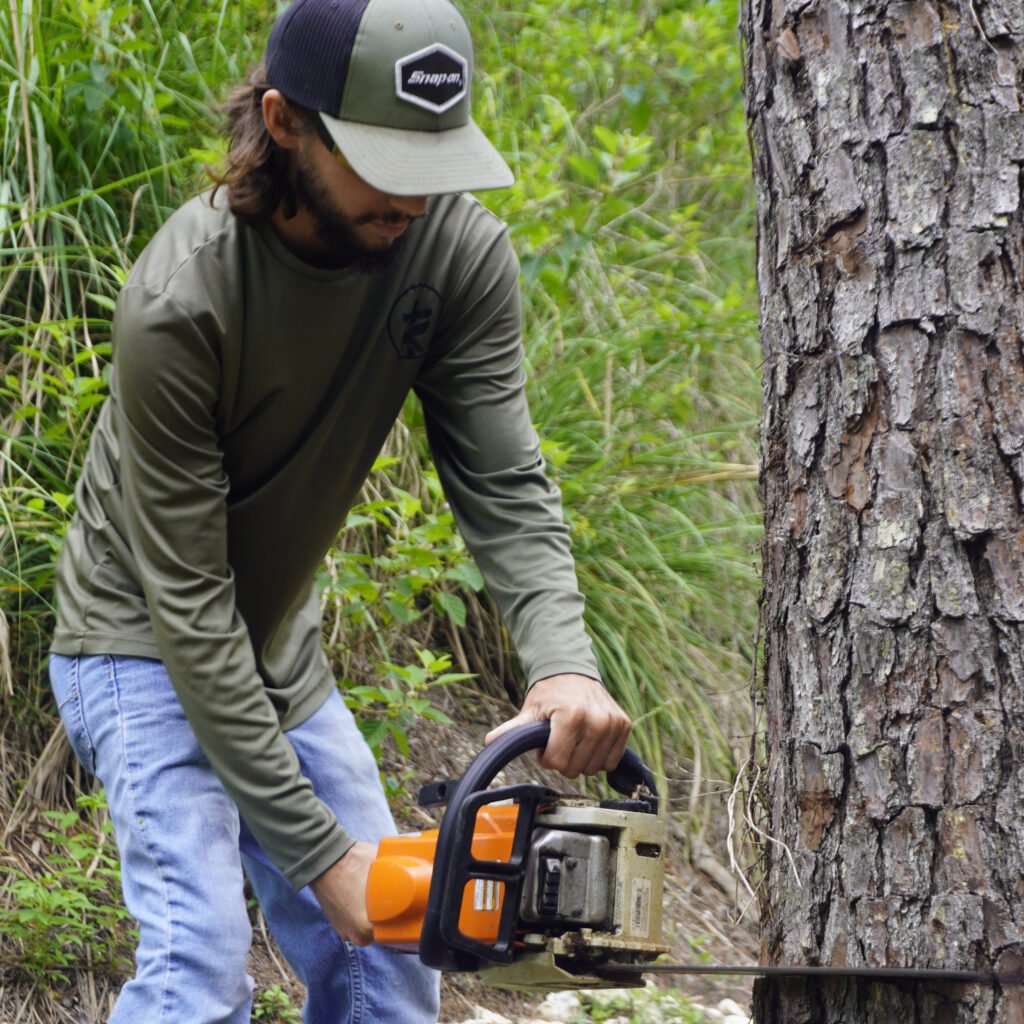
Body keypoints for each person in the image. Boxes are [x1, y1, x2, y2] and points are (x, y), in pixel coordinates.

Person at [47, 0, 633, 1020]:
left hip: (276, 648)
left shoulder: (453, 253)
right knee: (198, 964)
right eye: (382, 160)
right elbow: (186, 606)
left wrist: (561, 660)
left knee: (394, 957)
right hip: (136, 644)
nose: (414, 196)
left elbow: (500, 475)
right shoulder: (182, 301)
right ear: (284, 123)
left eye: (434, 159)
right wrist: (325, 859)